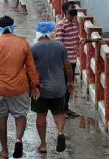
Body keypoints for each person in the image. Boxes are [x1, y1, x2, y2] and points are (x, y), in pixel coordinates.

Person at [0, 16, 40, 159]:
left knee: (1, 118)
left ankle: (4, 151)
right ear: (13, 26)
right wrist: (35, 85)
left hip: (0, 88)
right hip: (20, 88)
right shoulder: (23, 43)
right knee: (20, 115)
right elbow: (31, 68)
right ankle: (18, 139)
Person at [31, 21, 74, 154]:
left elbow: (30, 70)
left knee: (41, 115)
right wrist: (70, 82)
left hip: (41, 89)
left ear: (38, 32)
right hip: (58, 87)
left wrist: (32, 86)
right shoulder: (60, 46)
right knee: (59, 113)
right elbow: (67, 66)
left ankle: (43, 144)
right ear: (51, 32)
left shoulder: (33, 48)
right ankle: (60, 132)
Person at [55, 2, 80, 118]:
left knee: (69, 85)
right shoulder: (61, 25)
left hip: (73, 60)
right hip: (65, 62)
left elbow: (76, 40)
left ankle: (65, 108)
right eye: (72, 8)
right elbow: (58, 44)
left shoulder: (75, 24)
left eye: (74, 8)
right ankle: (61, 110)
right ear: (66, 11)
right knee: (63, 85)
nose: (74, 10)